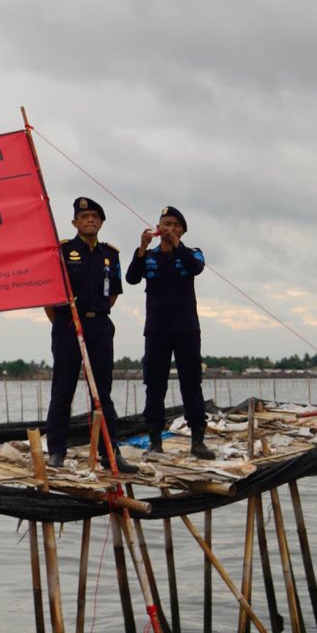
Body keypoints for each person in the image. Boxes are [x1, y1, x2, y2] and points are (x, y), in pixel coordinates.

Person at [42, 196, 129, 472]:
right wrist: (66, 320)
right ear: (74, 223)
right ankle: (56, 451)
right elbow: (49, 299)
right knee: (63, 390)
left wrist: (94, 314)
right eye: (84, 217)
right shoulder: (63, 251)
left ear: (101, 222)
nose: (90, 220)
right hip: (68, 325)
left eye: (95, 216)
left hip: (99, 326)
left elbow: (113, 294)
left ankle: (109, 452)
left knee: (102, 393)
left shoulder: (110, 254)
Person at [128, 205, 210, 458]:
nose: (170, 229)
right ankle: (155, 440)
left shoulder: (193, 254)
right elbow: (132, 277)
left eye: (175, 225)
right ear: (157, 228)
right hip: (156, 331)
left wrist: (177, 244)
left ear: (183, 231)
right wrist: (141, 248)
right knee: (154, 385)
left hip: (186, 329)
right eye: (166, 224)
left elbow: (195, 268)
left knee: (191, 384)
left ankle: (198, 441)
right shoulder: (149, 256)